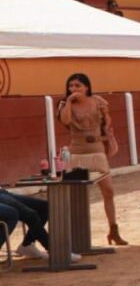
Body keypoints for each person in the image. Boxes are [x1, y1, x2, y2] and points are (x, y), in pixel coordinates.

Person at [57, 72, 127, 245]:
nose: (73, 89)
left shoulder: (98, 102)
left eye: (77, 86)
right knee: (74, 194)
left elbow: (107, 124)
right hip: (76, 150)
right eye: (71, 86)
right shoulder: (65, 104)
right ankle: (72, 235)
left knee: (108, 190)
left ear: (86, 87)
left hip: (96, 147)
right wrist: (68, 102)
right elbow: (65, 121)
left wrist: (109, 139)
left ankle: (113, 230)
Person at [0, 187, 63, 261]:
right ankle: (55, 250)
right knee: (28, 214)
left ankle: (27, 244)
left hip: (3, 192)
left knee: (45, 207)